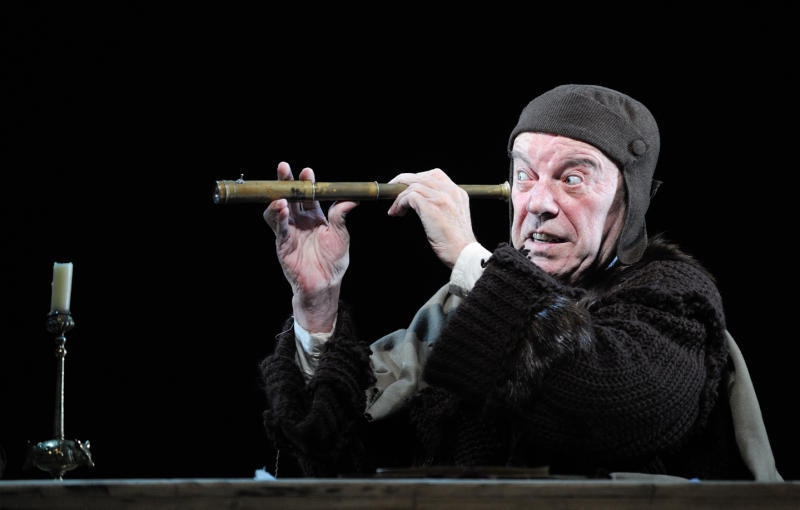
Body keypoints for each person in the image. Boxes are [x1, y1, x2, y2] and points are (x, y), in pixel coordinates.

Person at [257, 84, 782, 481]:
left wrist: (468, 255)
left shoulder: (675, 297)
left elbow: (607, 405)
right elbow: (334, 449)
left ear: (631, 200)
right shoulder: (462, 306)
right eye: (525, 175)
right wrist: (317, 306)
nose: (539, 203)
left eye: (572, 178)